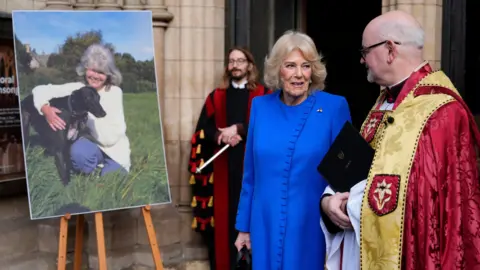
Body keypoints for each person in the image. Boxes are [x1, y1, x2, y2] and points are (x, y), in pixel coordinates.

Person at [320, 10, 480, 270]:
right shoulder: (382, 103)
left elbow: (427, 205)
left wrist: (350, 205)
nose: (362, 61)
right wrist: (327, 201)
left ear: (390, 50)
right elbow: (355, 167)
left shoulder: (442, 112)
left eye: (365, 51)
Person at [234, 30, 352, 270]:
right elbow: (250, 176)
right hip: (264, 222)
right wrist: (243, 228)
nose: (299, 74)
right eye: (290, 66)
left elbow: (348, 175)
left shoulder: (334, 107)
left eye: (306, 66)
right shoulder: (260, 107)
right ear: (278, 69)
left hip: (312, 225)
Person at [188, 46, 270, 270]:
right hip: (223, 170)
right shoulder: (216, 97)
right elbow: (202, 130)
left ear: (250, 65)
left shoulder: (264, 95)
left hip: (253, 169)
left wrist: (239, 130)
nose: (235, 65)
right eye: (231, 61)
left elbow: (273, 125)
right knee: (226, 220)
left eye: (240, 61)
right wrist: (221, 136)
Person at [31, 43, 131, 177]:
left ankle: (105, 170)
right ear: (85, 69)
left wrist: (87, 119)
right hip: (91, 146)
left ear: (108, 75)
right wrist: (45, 108)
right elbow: (39, 90)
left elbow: (109, 138)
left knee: (109, 179)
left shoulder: (114, 92)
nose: (95, 76)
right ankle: (90, 172)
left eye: (101, 72)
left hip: (114, 151)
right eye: (92, 70)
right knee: (79, 151)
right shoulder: (78, 88)